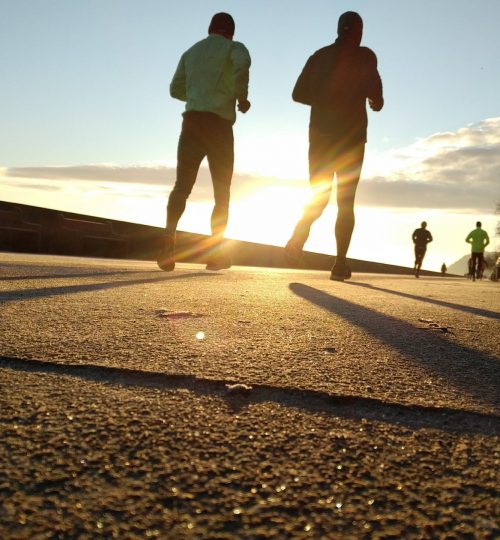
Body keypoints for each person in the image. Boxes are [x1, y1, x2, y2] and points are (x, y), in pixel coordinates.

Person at [284, 11, 384, 281]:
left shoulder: (318, 56)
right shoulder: (365, 56)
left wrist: (324, 102)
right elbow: (376, 94)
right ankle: (339, 264)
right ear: (359, 32)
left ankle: (298, 235)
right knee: (345, 202)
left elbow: (297, 94)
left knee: (319, 196)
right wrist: (375, 101)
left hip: (320, 138)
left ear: (338, 29)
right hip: (351, 139)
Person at [157, 13, 251, 271]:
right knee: (222, 194)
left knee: (182, 187)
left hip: (191, 123)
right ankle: (216, 254)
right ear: (231, 32)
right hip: (219, 127)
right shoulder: (235, 49)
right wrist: (241, 98)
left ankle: (169, 238)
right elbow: (242, 67)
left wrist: (198, 93)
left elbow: (175, 89)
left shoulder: (191, 51)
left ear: (210, 29)